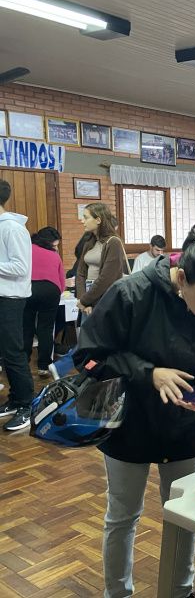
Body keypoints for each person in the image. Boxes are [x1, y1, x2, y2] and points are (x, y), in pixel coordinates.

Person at [74, 232, 195, 598]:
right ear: (181, 278)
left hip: (186, 426)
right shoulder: (130, 293)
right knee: (122, 516)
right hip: (128, 424)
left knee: (184, 515)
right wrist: (149, 373)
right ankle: (117, 593)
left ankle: (180, 591)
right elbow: (89, 355)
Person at [0, 179, 35, 432]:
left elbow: (21, 268)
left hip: (11, 299)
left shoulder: (12, 228)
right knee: (5, 353)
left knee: (13, 353)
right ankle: (14, 399)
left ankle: (26, 404)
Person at [23, 226, 65, 378]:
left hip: (29, 289)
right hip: (51, 290)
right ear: (48, 242)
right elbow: (62, 280)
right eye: (55, 245)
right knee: (46, 329)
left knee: (26, 328)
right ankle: (44, 366)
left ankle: (23, 364)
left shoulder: (26, 248)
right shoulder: (55, 255)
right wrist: (57, 292)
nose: (55, 248)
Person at [75, 204, 128, 318]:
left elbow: (107, 278)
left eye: (86, 217)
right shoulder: (90, 242)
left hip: (104, 299)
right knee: (86, 334)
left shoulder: (114, 242)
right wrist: (83, 299)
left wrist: (85, 300)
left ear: (98, 220)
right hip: (88, 300)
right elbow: (80, 273)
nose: (82, 220)